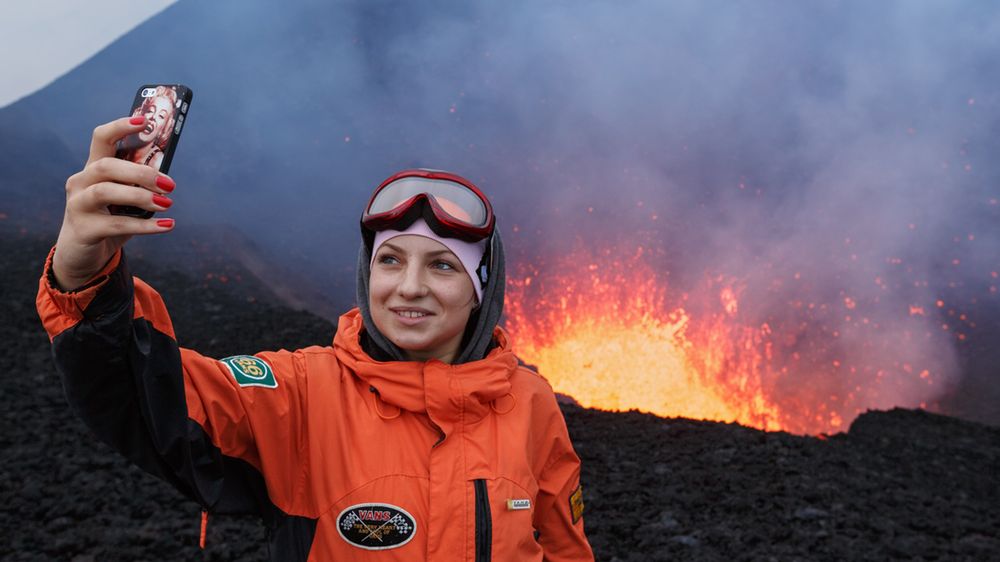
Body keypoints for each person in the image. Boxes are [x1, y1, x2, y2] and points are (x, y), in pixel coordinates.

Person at [36, 116, 595, 561]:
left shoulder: (529, 403)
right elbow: (149, 397)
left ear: (483, 288)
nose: (410, 287)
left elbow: (566, 550)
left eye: (444, 267)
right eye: (391, 260)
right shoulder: (301, 394)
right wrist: (84, 272)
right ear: (366, 273)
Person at [118, 85, 178, 169]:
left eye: (161, 116)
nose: (153, 117)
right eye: (150, 111)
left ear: (163, 130)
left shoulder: (157, 163)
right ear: (141, 114)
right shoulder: (123, 145)